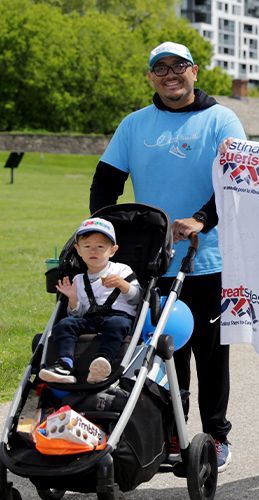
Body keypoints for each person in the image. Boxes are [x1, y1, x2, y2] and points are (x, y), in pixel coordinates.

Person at [88, 41, 246, 472]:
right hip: (150, 265)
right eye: (161, 68)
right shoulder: (135, 125)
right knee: (161, 354)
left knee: (210, 356)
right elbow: (105, 184)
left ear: (195, 72)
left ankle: (216, 437)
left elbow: (238, 182)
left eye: (179, 66)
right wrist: (106, 232)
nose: (170, 74)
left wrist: (200, 218)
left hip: (207, 261)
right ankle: (170, 434)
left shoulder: (221, 119)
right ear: (151, 77)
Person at [39, 217, 141, 384]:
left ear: (112, 250)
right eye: (87, 247)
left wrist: (123, 285)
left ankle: (102, 362)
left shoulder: (122, 270)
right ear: (78, 250)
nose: (93, 251)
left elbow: (137, 298)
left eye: (100, 247)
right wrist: (72, 298)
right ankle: (64, 364)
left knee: (118, 323)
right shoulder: (79, 279)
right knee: (65, 324)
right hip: (90, 319)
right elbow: (77, 313)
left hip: (118, 316)